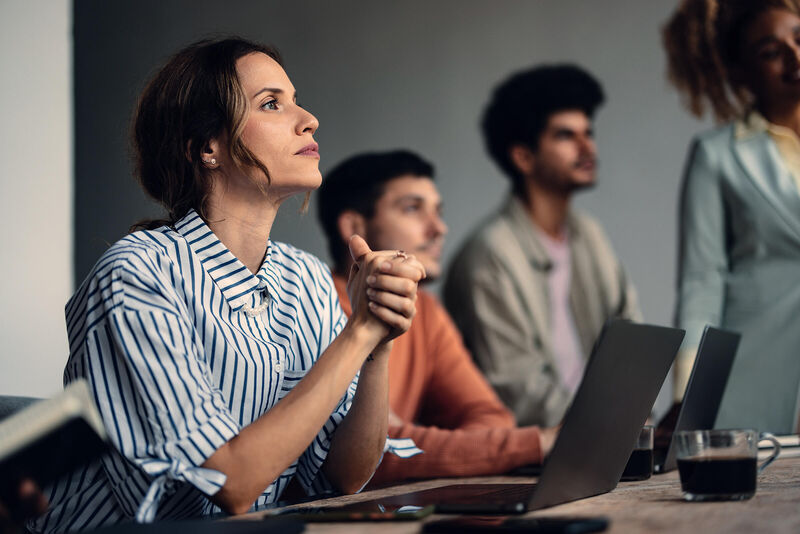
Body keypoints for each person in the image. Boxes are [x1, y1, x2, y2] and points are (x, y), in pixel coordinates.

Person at [30, 37, 425, 533]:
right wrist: (358, 333)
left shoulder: (303, 278)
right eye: (271, 104)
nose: (309, 119)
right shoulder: (136, 276)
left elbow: (343, 477)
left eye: (294, 100)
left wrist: (377, 346)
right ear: (207, 148)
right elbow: (231, 483)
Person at [316, 150, 559, 486]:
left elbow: (492, 418)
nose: (439, 228)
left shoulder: (426, 312)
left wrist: (414, 439)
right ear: (354, 227)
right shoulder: (315, 305)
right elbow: (366, 456)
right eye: (413, 208)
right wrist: (538, 443)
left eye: (438, 212)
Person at [444, 65, 642, 427]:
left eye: (589, 133)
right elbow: (516, 389)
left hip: (603, 440)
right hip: (537, 457)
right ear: (523, 157)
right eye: (566, 136)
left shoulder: (589, 234)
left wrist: (632, 423)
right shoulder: (489, 255)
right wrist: (608, 429)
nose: (587, 148)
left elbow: (632, 343)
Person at [664, 0, 800, 432]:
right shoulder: (717, 156)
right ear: (740, 72)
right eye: (771, 51)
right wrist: (690, 396)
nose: (795, 57)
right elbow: (702, 283)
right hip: (755, 378)